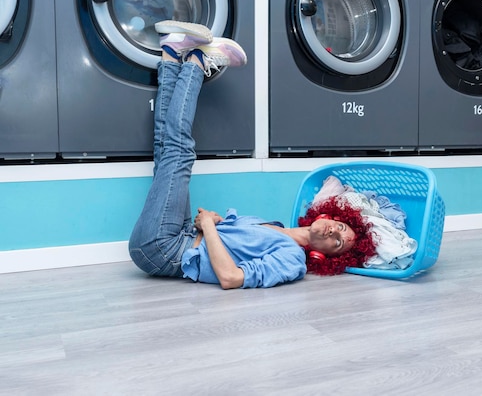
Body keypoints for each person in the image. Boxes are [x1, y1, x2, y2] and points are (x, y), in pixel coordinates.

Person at [129, 21, 376, 289]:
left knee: (179, 154)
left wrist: (210, 227)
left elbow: (231, 278)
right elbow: (231, 245)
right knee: (167, 150)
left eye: (337, 243)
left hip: (165, 249)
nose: (333, 232)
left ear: (323, 256)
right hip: (182, 234)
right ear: (329, 217)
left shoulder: (293, 260)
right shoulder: (277, 224)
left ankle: (196, 63)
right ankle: (171, 54)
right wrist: (212, 225)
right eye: (339, 227)